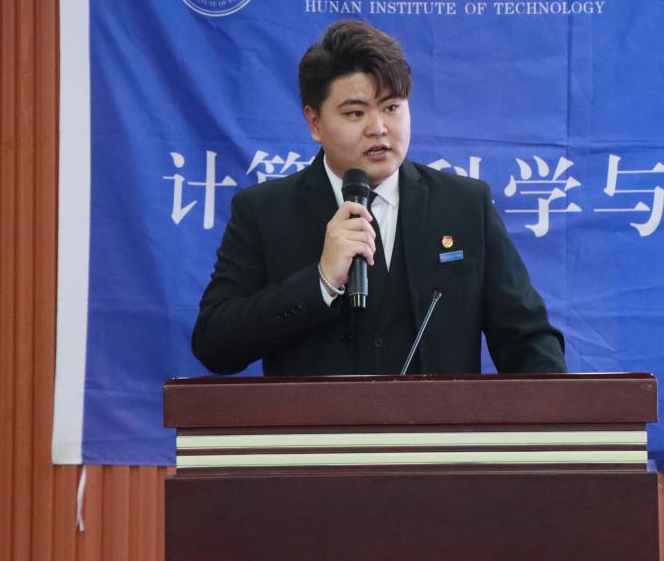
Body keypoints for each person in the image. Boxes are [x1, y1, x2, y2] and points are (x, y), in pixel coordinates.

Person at [192, 20, 566, 376]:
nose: (379, 128)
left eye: (391, 107)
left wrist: (555, 412)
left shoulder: (465, 205)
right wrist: (321, 282)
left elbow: (529, 340)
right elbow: (214, 343)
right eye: (356, 113)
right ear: (315, 122)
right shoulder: (263, 211)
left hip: (439, 423)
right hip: (317, 425)